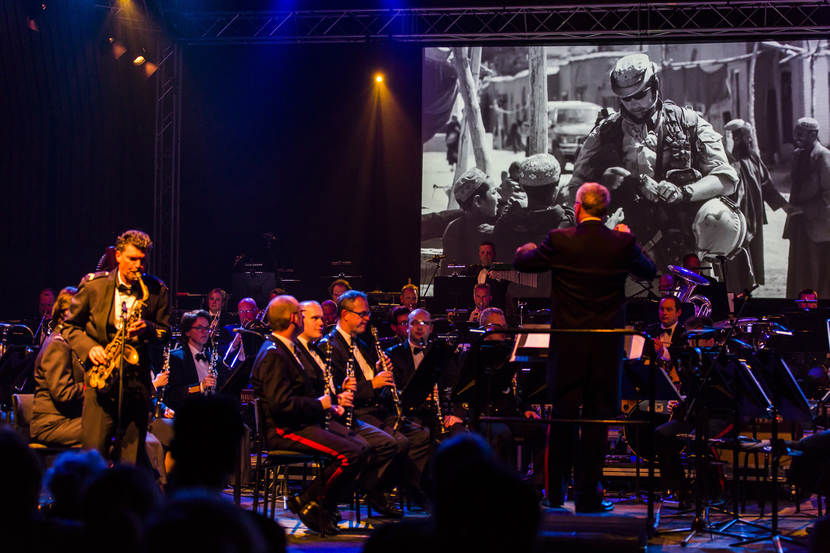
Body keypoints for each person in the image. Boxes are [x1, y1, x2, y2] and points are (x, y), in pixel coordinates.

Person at [514, 182, 656, 512]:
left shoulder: (561, 240)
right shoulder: (621, 242)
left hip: (568, 349)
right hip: (605, 350)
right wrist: (626, 236)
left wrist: (526, 247)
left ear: (578, 207)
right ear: (605, 211)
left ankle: (555, 496)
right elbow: (648, 271)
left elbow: (524, 262)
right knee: (596, 422)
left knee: (563, 419)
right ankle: (589, 497)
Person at [570, 53, 738, 269]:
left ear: (655, 86)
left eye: (640, 95)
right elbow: (574, 188)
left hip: (685, 244)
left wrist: (684, 192)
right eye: (626, 98)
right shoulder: (604, 133)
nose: (633, 103)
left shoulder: (688, 123)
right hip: (628, 246)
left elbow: (726, 179)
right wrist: (603, 186)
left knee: (720, 220)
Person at [251, 295, 368, 535]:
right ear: (294, 318)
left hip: (299, 424)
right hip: (285, 430)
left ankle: (313, 503)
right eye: (301, 315)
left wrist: (328, 403)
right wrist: (321, 404)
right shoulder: (274, 352)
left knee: (359, 447)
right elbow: (281, 405)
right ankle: (311, 502)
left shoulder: (286, 348)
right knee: (350, 454)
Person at [62, 229, 170, 464]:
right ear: (118, 255)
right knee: (93, 460)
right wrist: (90, 348)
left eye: (143, 259)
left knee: (131, 461)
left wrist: (148, 329)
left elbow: (165, 333)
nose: (138, 265)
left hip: (137, 385)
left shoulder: (157, 289)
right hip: (101, 384)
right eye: (132, 259)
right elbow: (69, 327)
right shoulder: (93, 286)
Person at [320, 290, 433, 504]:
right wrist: (373, 383)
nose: (367, 318)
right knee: (397, 442)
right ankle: (372, 490)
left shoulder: (362, 344)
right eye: (362, 314)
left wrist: (379, 372)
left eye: (367, 313)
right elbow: (334, 390)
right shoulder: (330, 346)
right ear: (345, 315)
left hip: (376, 410)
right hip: (355, 414)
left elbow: (375, 386)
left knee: (420, 436)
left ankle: (399, 490)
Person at [294, 300, 403, 518]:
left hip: (340, 413)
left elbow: (327, 389)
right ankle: (316, 500)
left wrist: (341, 393)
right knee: (361, 448)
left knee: (393, 442)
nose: (323, 322)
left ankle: (323, 502)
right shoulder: (324, 346)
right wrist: (337, 399)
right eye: (315, 318)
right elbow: (298, 396)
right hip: (316, 420)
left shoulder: (355, 344)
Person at [722, 119, 790, 291]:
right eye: (747, 137)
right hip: (734, 222)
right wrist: (728, 153)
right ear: (736, 138)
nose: (750, 141)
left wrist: (784, 206)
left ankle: (747, 293)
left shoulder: (753, 157)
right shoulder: (724, 160)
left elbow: (766, 185)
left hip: (753, 219)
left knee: (752, 261)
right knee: (735, 262)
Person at [386, 308, 466, 441]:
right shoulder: (393, 355)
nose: (419, 327)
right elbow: (391, 393)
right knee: (423, 437)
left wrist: (454, 414)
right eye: (414, 323)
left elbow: (454, 386)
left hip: (439, 414)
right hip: (409, 415)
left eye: (425, 323)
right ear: (407, 327)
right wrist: (418, 395)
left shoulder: (442, 353)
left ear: (431, 328)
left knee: (460, 434)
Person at [30, 286, 83, 446]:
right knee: (105, 427)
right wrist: (89, 387)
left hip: (65, 420)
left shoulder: (67, 340)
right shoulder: (57, 344)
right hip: (51, 425)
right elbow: (62, 393)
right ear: (67, 312)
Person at [784, 117, 830, 298]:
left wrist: (806, 209)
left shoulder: (823, 156)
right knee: (799, 272)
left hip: (817, 225)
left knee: (816, 274)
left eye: (801, 133)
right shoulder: (797, 155)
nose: (797, 137)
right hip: (799, 225)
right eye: (796, 133)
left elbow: (828, 194)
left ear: (814, 134)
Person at [442, 168, 500, 270]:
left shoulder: (453, 228)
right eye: (494, 192)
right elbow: (452, 268)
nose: (499, 197)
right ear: (477, 201)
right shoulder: (454, 231)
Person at [165, 310, 217, 412]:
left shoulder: (214, 358)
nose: (204, 332)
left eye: (207, 328)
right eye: (199, 328)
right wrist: (200, 387)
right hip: (189, 418)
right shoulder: (176, 357)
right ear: (187, 331)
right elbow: (173, 394)